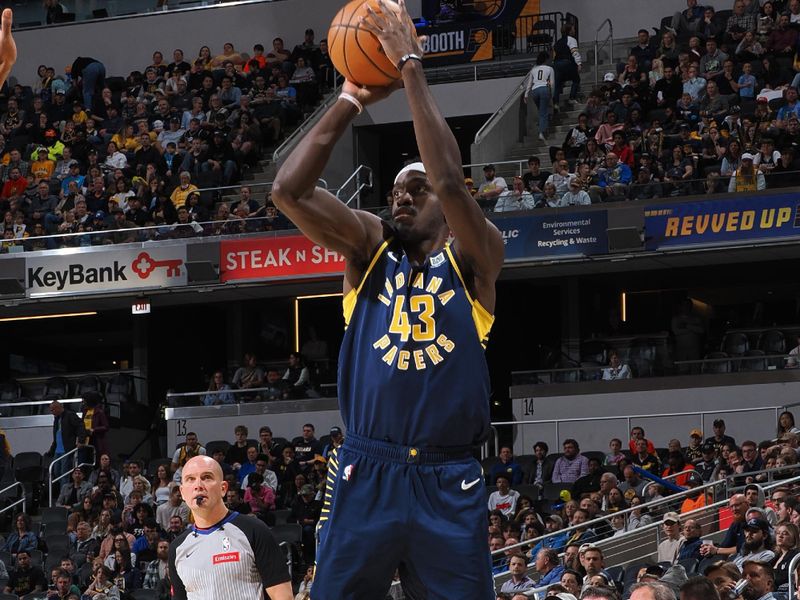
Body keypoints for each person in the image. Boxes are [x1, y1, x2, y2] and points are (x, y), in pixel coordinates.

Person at [271, 2, 504, 596]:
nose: (402, 199)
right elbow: (288, 190)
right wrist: (349, 98)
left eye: (415, 190)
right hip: (367, 468)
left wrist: (409, 66)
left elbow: (451, 181)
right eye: (397, 190)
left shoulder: (476, 257)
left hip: (448, 476)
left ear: (447, 212)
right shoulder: (368, 251)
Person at [169, 456, 292, 600]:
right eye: (191, 479)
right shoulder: (177, 548)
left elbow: (283, 596)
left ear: (223, 489)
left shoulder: (253, 530)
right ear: (183, 492)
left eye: (207, 477)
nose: (198, 485)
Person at [47, 400, 87, 486]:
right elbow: (56, 436)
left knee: (64, 472)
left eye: (53, 410)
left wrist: (81, 440)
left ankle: (64, 494)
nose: (52, 412)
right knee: (56, 471)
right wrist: (51, 450)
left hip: (67, 449)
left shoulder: (70, 415)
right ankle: (65, 490)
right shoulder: (56, 419)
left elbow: (80, 425)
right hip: (58, 450)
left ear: (58, 408)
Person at [526, 51, 554, 141]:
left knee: (541, 110)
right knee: (543, 112)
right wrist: (552, 94)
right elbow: (552, 83)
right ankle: (542, 132)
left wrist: (526, 94)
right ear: (546, 59)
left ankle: (543, 125)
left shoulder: (533, 69)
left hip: (534, 91)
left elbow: (529, 83)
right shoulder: (549, 68)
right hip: (544, 89)